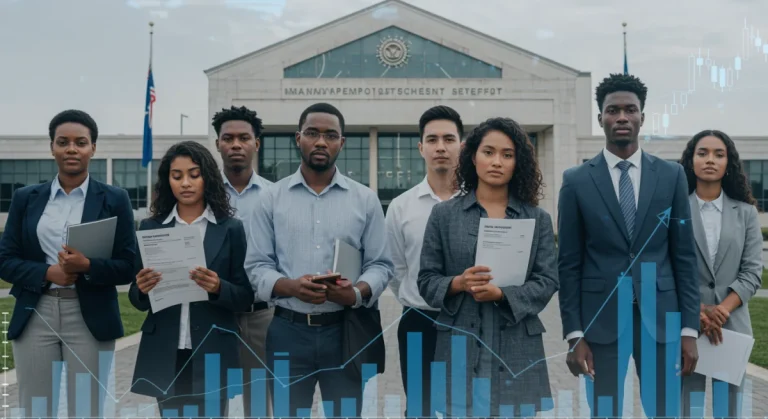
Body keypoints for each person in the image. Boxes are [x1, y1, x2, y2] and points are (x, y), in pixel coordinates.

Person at [557, 73, 700, 418]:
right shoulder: (576, 181)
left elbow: (683, 256)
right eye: (613, 110)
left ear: (642, 118)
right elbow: (569, 263)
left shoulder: (672, 176)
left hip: (662, 320)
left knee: (664, 411)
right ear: (600, 119)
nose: (622, 116)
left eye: (630, 110)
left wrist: (689, 329)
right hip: (600, 320)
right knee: (604, 411)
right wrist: (574, 333)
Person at [245, 102, 394, 418]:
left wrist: (355, 293)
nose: (321, 142)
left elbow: (382, 265)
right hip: (287, 330)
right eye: (312, 133)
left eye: (330, 135)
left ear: (343, 142)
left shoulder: (365, 200)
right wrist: (291, 287)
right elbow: (256, 267)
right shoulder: (271, 199)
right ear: (298, 138)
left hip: (344, 332)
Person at [417, 117, 558, 417]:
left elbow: (547, 281)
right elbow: (427, 281)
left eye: (507, 155)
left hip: (517, 343)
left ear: (518, 162)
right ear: (473, 157)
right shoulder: (443, 216)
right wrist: (458, 283)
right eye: (489, 152)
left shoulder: (537, 219)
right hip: (459, 341)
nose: (497, 162)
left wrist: (502, 294)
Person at [0, 109, 136, 418]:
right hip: (37, 311)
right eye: (63, 142)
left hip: (90, 313)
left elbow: (129, 264)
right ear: (52, 147)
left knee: (86, 410)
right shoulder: (26, 198)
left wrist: (87, 266)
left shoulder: (115, 199)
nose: (72, 149)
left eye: (80, 142)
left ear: (93, 148)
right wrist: (48, 272)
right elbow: (5, 260)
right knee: (36, 409)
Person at [129, 141, 254, 418]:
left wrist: (219, 287)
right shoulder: (151, 227)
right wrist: (141, 289)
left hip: (213, 350)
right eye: (177, 176)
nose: (185, 183)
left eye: (193, 174)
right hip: (166, 350)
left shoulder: (230, 229)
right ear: (168, 181)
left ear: (207, 177)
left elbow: (245, 295)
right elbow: (136, 298)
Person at [678, 130, 763, 418]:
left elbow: (752, 272)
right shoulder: (674, 211)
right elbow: (668, 269)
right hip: (688, 327)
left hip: (732, 329)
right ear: (691, 161)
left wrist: (721, 312)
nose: (710, 160)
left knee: (729, 412)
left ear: (730, 163)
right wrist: (696, 312)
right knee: (688, 408)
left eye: (719, 154)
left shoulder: (747, 213)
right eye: (702, 153)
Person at [385, 105, 462, 418]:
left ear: (462, 144)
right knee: (419, 408)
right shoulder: (402, 207)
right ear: (421, 147)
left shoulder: (480, 203)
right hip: (418, 322)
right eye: (432, 139)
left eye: (448, 138)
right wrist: (415, 299)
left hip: (469, 322)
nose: (440, 147)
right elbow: (395, 269)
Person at [212, 105, 275, 418]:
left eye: (243, 138)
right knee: (212, 401)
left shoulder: (275, 196)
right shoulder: (201, 196)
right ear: (218, 144)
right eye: (228, 138)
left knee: (260, 405)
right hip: (213, 312)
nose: (235, 144)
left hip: (261, 317)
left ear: (256, 144)